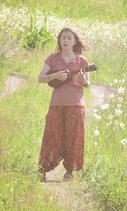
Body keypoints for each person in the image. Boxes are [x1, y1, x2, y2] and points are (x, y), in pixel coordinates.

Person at [38, 27, 90, 182]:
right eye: (63, 38)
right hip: (56, 104)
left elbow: (87, 84)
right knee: (50, 136)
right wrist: (55, 75)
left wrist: (82, 81)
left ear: (75, 42)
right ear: (59, 41)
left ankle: (69, 171)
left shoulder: (82, 61)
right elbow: (41, 78)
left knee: (74, 138)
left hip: (76, 104)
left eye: (69, 38)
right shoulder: (53, 59)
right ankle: (43, 169)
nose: (65, 41)